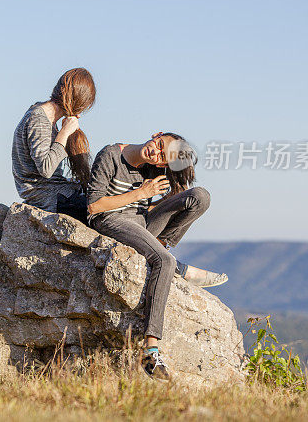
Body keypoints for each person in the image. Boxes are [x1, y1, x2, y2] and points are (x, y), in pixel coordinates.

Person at [85, 132, 226, 381]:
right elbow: (94, 206)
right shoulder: (111, 155)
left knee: (200, 196)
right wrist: (141, 194)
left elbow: (156, 202)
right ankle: (150, 351)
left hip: (142, 224)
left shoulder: (155, 169)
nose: (156, 153)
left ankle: (160, 248)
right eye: (160, 145)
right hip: (111, 221)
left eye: (163, 158)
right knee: (166, 262)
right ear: (156, 134)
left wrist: (168, 182)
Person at [11, 68, 95, 222]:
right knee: (107, 211)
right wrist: (64, 132)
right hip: (49, 199)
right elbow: (46, 168)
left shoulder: (48, 119)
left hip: (58, 193)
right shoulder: (39, 120)